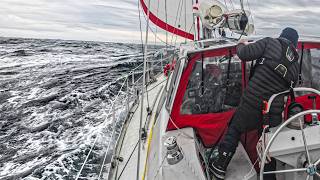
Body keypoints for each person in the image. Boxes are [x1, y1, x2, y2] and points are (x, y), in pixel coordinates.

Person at [209, 27, 300, 180]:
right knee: (267, 146)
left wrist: (240, 44)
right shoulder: (295, 65)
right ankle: (269, 176)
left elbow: (244, 54)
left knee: (235, 129)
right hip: (273, 112)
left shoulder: (270, 43)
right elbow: (291, 86)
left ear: (281, 35)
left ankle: (220, 166)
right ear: (295, 45)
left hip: (252, 102)